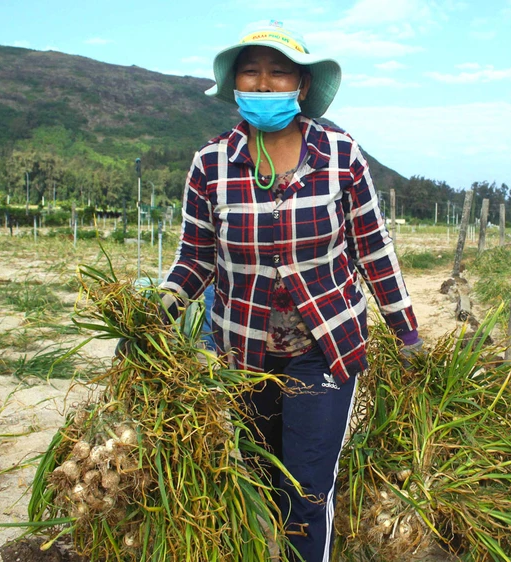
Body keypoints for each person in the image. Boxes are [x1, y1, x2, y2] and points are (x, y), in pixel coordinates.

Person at [156, 19, 422, 562]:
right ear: (233, 85)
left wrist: (406, 330)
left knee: (306, 488)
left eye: (278, 74)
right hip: (242, 352)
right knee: (254, 479)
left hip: (324, 348)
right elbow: (195, 257)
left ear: (301, 87)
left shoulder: (340, 154)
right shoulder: (212, 163)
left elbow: (373, 251)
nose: (263, 84)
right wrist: (160, 307)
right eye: (250, 73)